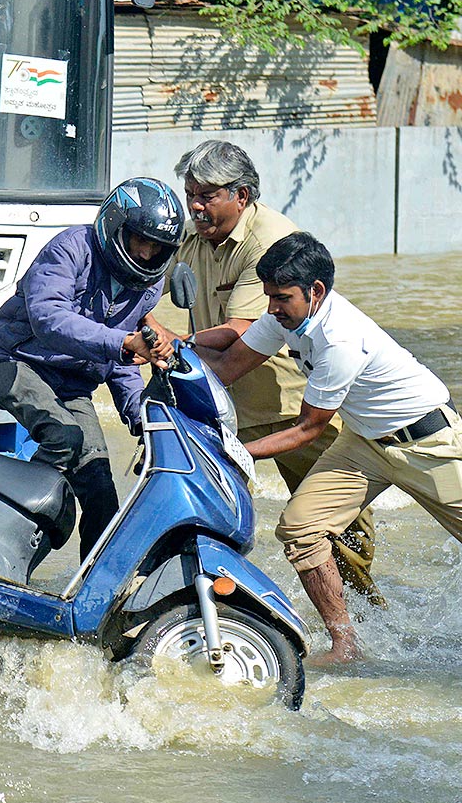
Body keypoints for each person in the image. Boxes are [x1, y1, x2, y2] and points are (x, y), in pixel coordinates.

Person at [199, 232, 462, 663]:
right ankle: (346, 646)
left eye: (281, 298)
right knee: (300, 530)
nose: (272, 309)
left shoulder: (342, 339)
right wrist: (170, 348)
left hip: (427, 441)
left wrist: (231, 451)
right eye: (269, 297)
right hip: (364, 443)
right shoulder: (286, 317)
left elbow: (307, 429)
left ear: (315, 292)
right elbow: (228, 367)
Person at [144, 140, 382, 607]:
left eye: (207, 195)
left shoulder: (271, 241)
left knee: (342, 535)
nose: (195, 204)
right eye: (190, 192)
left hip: (293, 407)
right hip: (220, 400)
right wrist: (144, 326)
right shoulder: (192, 234)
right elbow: (143, 286)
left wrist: (170, 342)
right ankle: (213, 610)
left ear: (243, 195)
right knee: (202, 515)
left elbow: (239, 333)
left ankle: (365, 620)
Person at [0, 177, 182, 561]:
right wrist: (123, 344)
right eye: (141, 240)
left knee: (102, 495)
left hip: (72, 387)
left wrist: (143, 418)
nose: (147, 253)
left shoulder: (147, 288)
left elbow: (121, 364)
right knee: (65, 439)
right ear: (116, 226)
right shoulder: (70, 248)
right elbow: (48, 317)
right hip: (13, 361)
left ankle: (96, 593)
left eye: (158, 248)